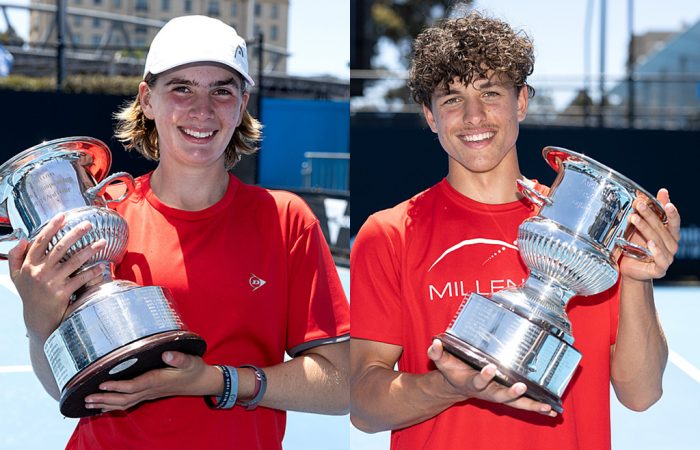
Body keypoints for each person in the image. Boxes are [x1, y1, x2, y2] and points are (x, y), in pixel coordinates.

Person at [8, 15, 350, 450]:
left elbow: (341, 384)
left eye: (221, 91)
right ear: (147, 100)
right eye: (181, 88)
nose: (202, 110)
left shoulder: (286, 220)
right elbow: (66, 387)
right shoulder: (100, 220)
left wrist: (215, 381)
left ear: (242, 105)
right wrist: (38, 320)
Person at [350, 11, 680, 450]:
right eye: (452, 99)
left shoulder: (586, 231)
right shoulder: (390, 234)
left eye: (490, 93)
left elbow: (642, 394)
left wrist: (637, 278)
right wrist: (449, 386)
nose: (474, 116)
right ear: (430, 116)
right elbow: (363, 407)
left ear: (521, 101)